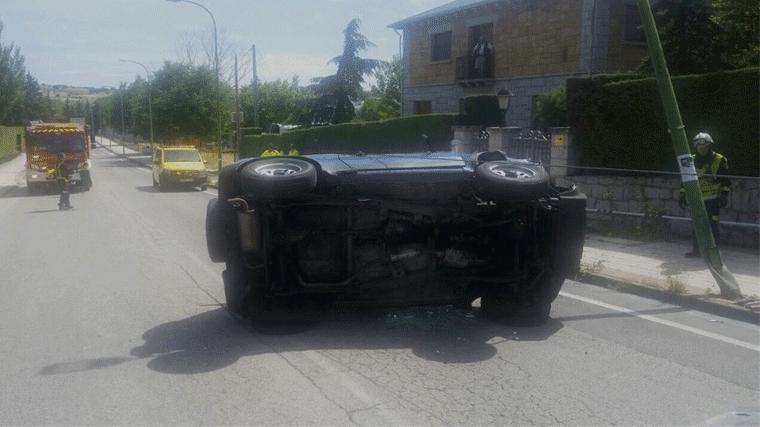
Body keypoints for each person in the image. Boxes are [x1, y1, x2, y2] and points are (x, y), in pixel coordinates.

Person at [679, 132, 731, 258]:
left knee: (712, 225)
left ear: (709, 146)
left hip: (713, 200)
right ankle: (697, 251)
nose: (702, 149)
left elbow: (726, 180)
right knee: (697, 225)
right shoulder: (689, 160)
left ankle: (714, 253)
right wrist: (682, 195)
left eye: (705, 147)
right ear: (695, 147)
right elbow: (685, 180)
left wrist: (724, 195)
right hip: (696, 200)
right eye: (699, 147)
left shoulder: (720, 160)